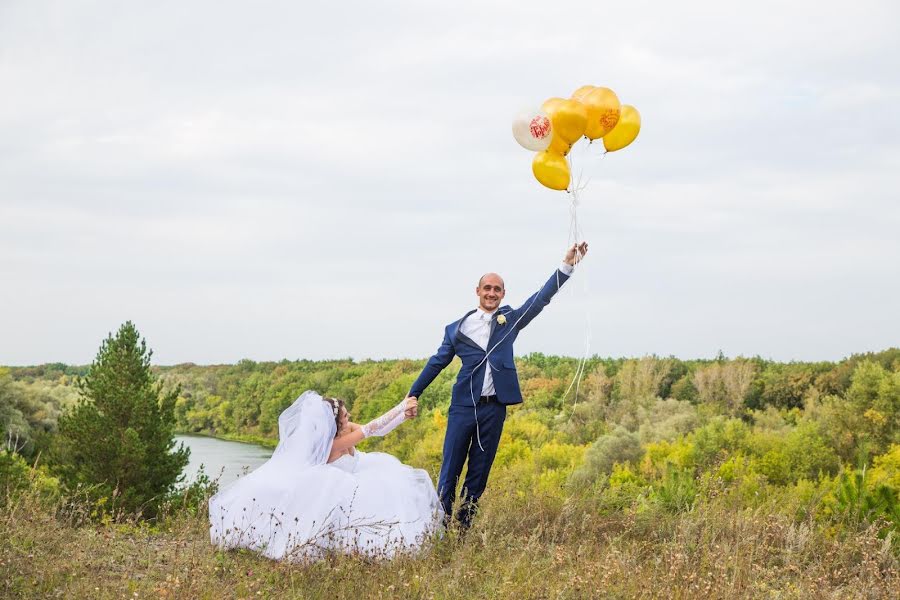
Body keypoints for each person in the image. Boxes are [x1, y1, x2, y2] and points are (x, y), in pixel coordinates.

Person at [406, 242, 588, 527]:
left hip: (494, 410)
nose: (492, 293)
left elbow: (540, 299)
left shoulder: (510, 321)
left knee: (479, 473)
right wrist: (413, 393)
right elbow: (436, 362)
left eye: (497, 289)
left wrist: (567, 266)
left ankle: (464, 531)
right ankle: (439, 530)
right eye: (487, 288)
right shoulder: (457, 328)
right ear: (478, 292)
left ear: (503, 294)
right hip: (463, 408)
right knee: (450, 469)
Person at [209, 391, 442, 560]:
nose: (349, 417)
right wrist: (401, 405)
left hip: (359, 469)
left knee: (393, 480)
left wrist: (403, 416)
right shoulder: (334, 445)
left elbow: (379, 430)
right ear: (334, 423)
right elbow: (370, 428)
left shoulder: (347, 429)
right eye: (345, 415)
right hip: (339, 482)